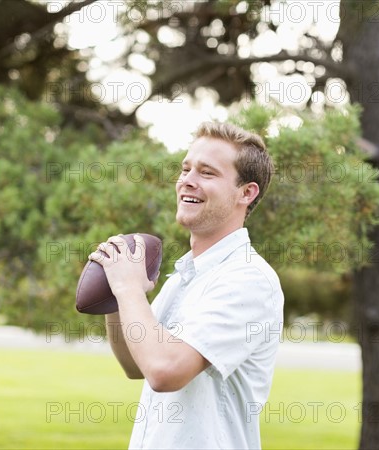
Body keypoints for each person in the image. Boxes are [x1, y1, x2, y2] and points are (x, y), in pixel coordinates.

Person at [89, 121, 284, 449]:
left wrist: (129, 290)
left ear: (246, 192)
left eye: (207, 173)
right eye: (185, 169)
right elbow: (136, 365)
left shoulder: (249, 279)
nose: (187, 182)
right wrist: (114, 294)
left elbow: (165, 371)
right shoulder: (183, 277)